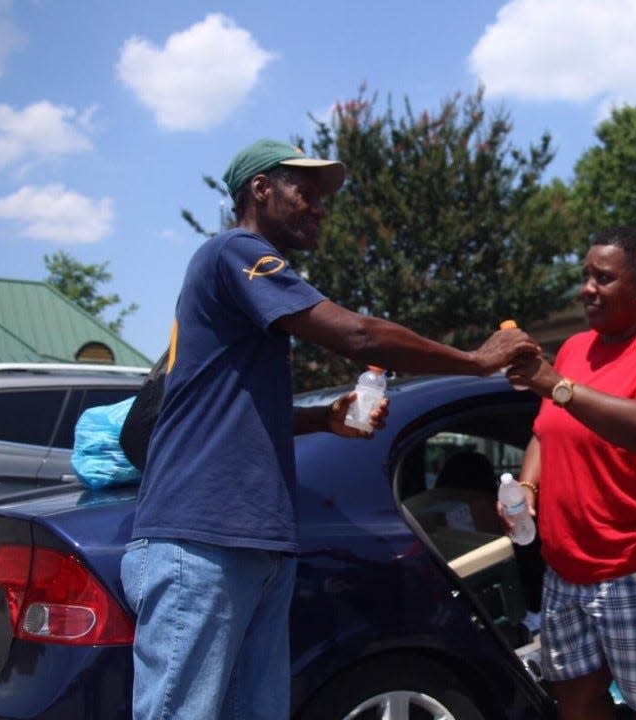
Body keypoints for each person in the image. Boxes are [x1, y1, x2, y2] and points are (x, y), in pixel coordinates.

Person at [120, 138, 540, 720]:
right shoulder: (234, 252)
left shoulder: (256, 304)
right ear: (260, 189)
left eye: (324, 198)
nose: (319, 207)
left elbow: (232, 407)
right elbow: (359, 336)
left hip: (255, 544)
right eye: (305, 192)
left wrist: (322, 419)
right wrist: (476, 360)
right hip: (204, 539)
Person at [503, 226, 636, 720]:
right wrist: (528, 486)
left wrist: (557, 386)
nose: (587, 289)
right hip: (568, 569)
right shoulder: (576, 349)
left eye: (603, 278)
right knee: (576, 703)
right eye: (586, 277)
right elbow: (545, 431)